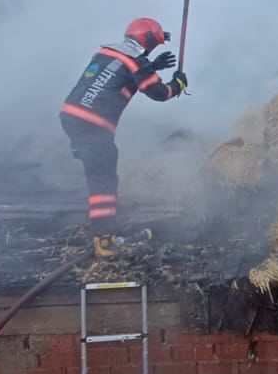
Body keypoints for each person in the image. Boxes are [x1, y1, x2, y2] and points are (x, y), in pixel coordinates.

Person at [60, 18, 189, 257]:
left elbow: (119, 75)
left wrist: (151, 65)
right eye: (153, 46)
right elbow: (158, 93)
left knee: (100, 170)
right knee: (104, 181)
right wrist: (177, 85)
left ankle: (103, 231)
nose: (152, 50)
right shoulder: (136, 63)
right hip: (92, 125)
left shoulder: (108, 52)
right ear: (148, 41)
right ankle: (103, 240)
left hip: (71, 118)